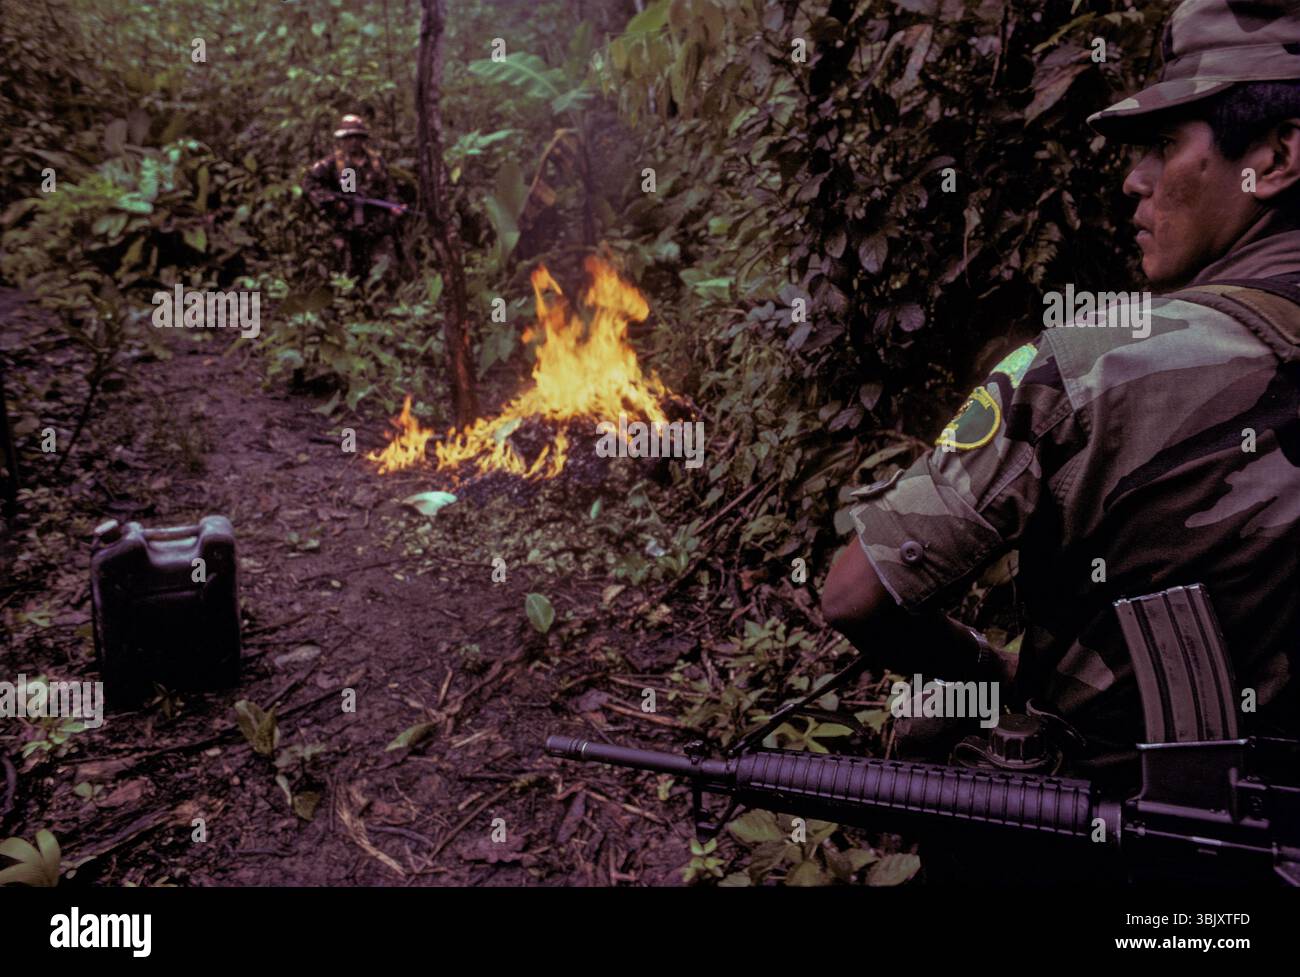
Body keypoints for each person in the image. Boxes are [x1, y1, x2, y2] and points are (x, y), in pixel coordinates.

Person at [821, 0, 1300, 793]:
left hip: (1116, 836)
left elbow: (856, 593)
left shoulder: (1091, 362)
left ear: (1277, 158)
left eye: (1161, 146)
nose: (1131, 181)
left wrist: (990, 673)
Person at [303, 113, 404, 284]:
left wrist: (393, 207)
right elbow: (309, 183)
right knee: (348, 278)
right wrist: (333, 202)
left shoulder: (376, 162)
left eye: (357, 137)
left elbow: (389, 188)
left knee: (383, 277)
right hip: (347, 229)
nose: (353, 142)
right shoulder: (335, 163)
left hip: (377, 229)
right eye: (348, 138)